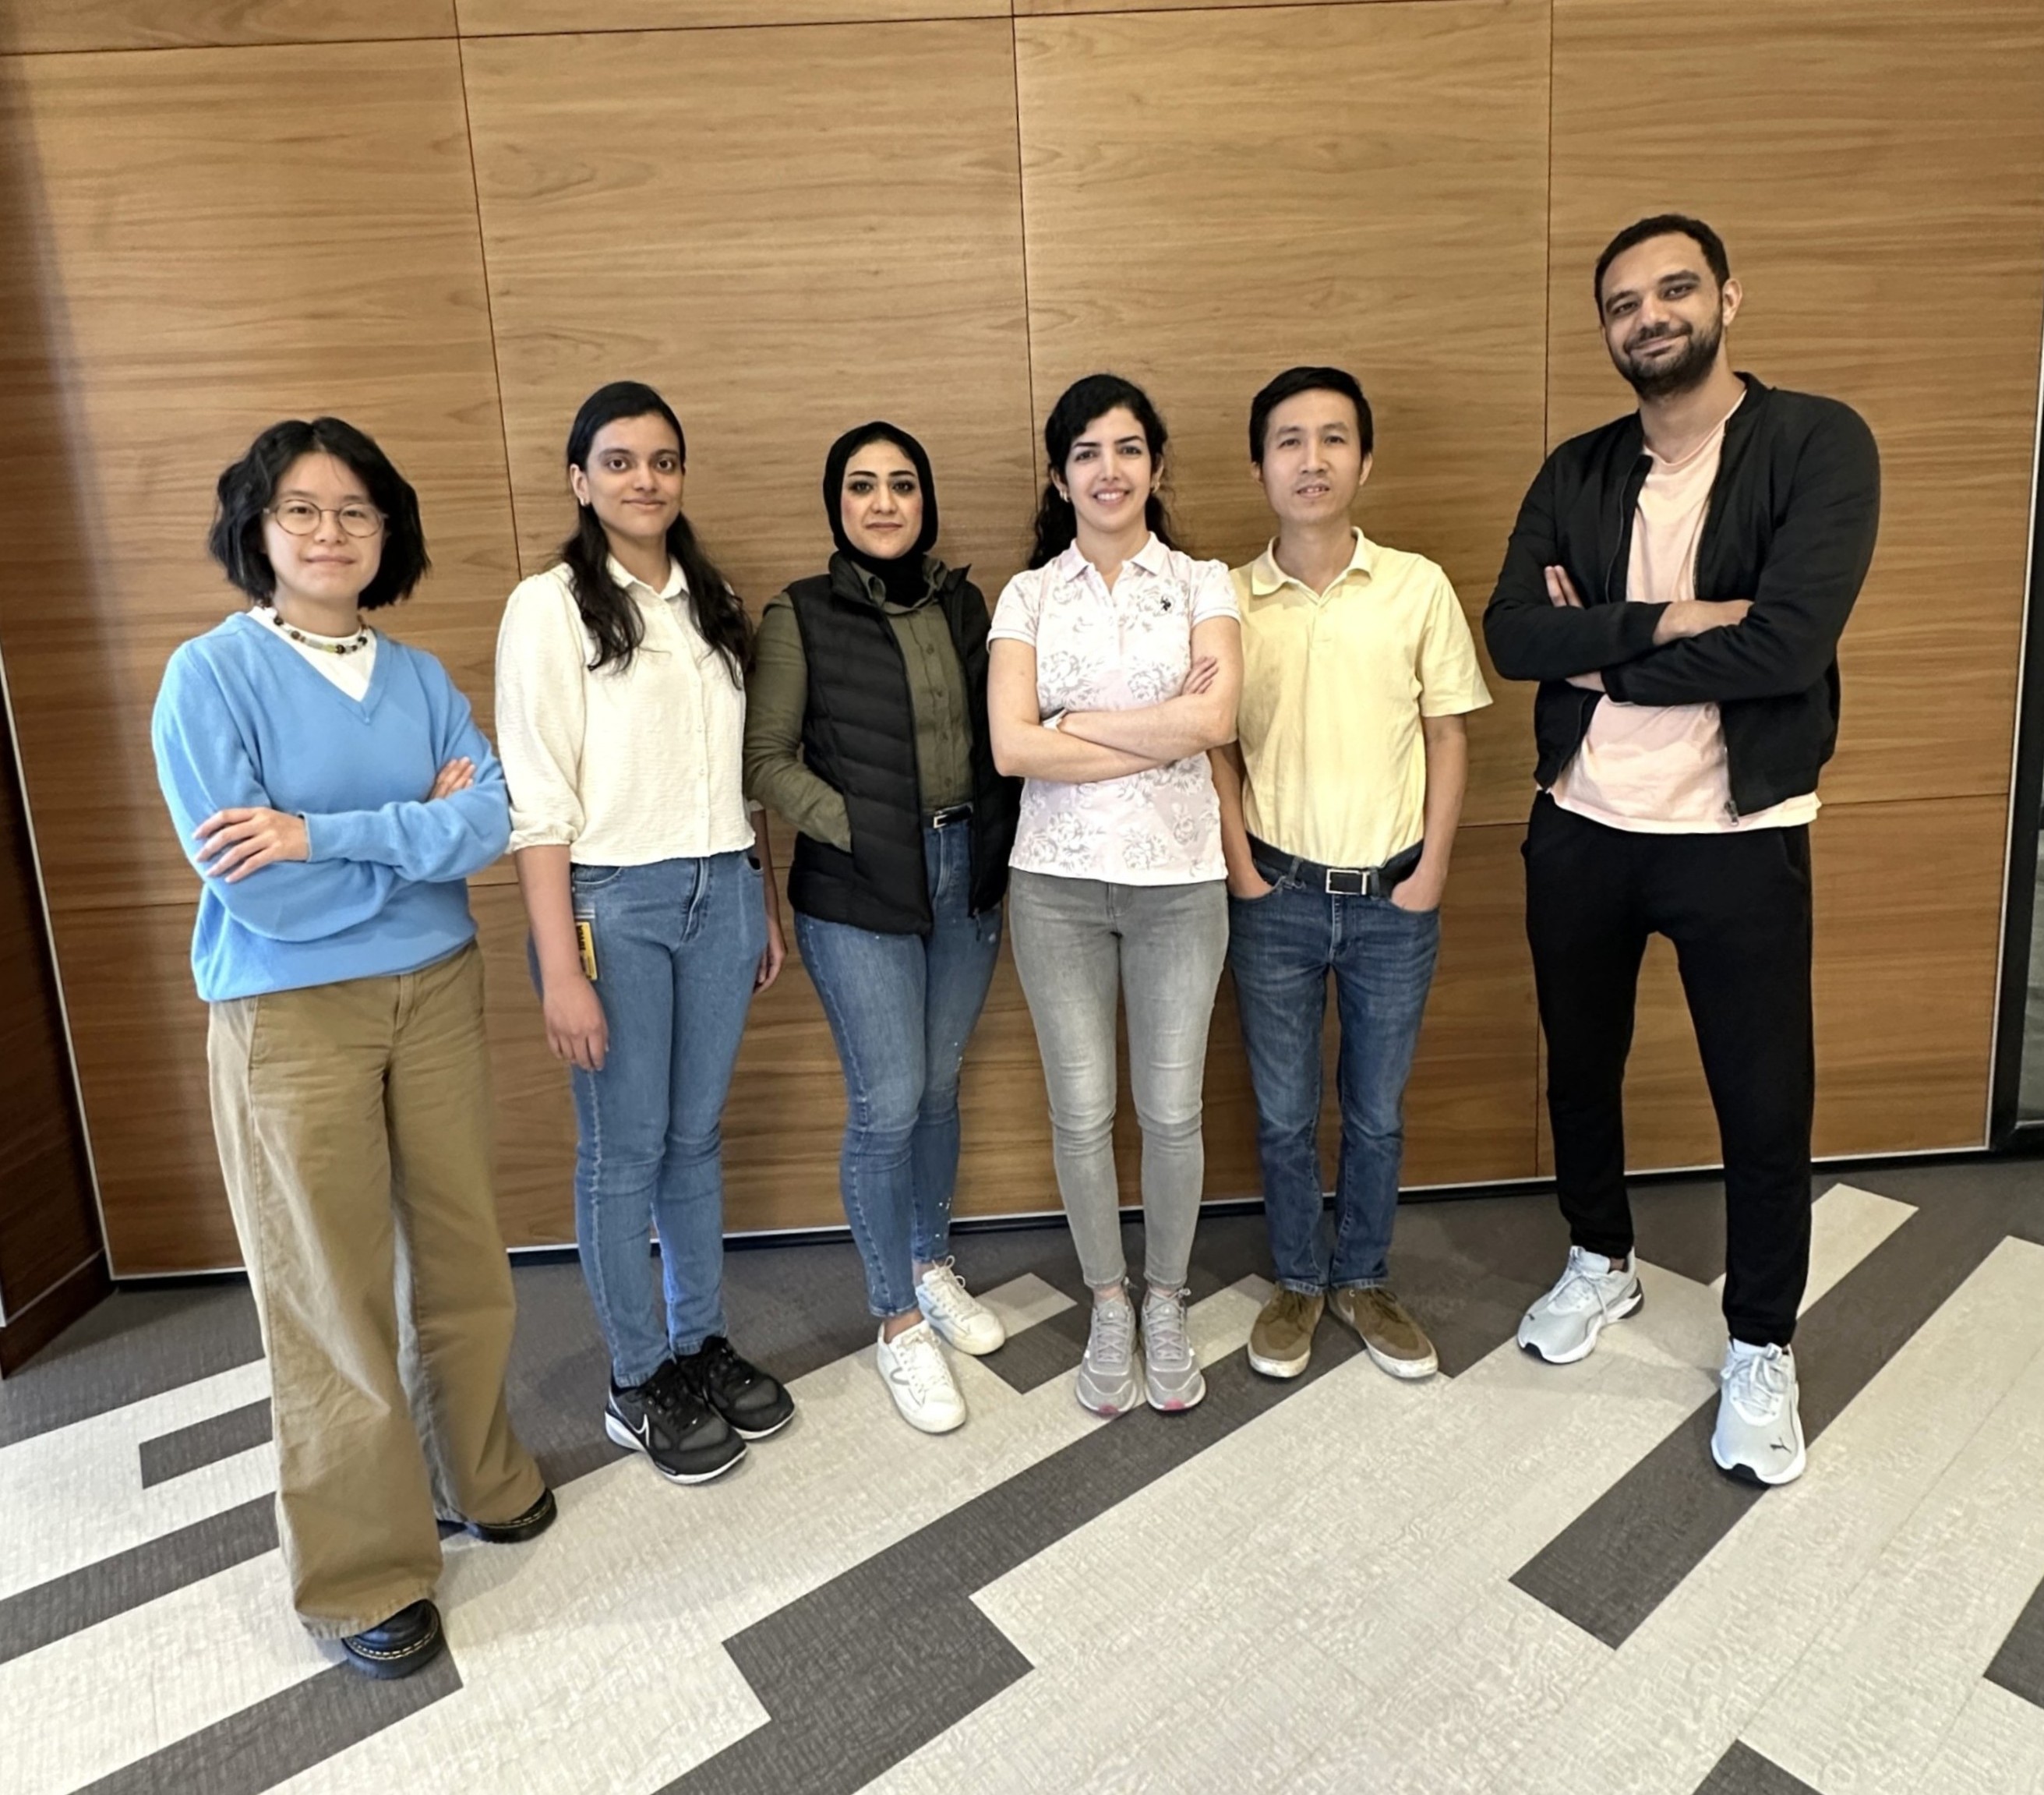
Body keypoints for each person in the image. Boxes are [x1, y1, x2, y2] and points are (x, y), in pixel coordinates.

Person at [152, 418, 552, 1681]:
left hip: (436, 991)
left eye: (357, 512)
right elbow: (259, 890)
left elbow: (489, 820)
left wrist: (322, 833)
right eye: (303, 510)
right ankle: (362, 1572)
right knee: (328, 1288)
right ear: (256, 528)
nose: (331, 533)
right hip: (290, 1013)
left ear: (389, 533)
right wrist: (407, 833)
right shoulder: (208, 677)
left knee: (464, 1251)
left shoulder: (421, 677)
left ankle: (475, 1473)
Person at [1483, 215, 1880, 1486]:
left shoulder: (1817, 443)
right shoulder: (1579, 469)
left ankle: (1761, 1341)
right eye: (1624, 303)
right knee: (1580, 1068)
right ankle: (1600, 1258)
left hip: (1737, 835)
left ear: (1727, 299)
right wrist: (1671, 619)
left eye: (1674, 290)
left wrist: (1600, 651)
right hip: (1583, 824)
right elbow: (1513, 637)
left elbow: (1788, 646)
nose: (1649, 317)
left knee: (1762, 1103)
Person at [495, 380, 793, 1488]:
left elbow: (743, 771)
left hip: (722, 890)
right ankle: (636, 1378)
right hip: (611, 905)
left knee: (694, 1138)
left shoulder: (711, 601)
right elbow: (536, 802)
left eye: (663, 461)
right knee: (624, 1151)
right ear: (580, 481)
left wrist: (763, 899)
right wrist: (559, 971)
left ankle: (699, 1344)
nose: (644, 480)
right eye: (618, 462)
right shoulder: (549, 607)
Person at [1213, 366, 1491, 1384]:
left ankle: (1364, 1277)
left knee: (1376, 1111)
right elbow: (1215, 747)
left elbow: (1449, 735)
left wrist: (1433, 871)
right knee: (1284, 1113)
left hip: (1394, 899)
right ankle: (1297, 1280)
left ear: (1365, 461)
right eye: (1289, 440)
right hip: (1274, 897)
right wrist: (1241, 868)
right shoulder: (1225, 599)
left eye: (1335, 438)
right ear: (1259, 467)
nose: (1312, 459)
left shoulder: (1416, 586)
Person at [743, 422, 1022, 1434]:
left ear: (925, 501)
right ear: (838, 504)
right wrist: (859, 828)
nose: (884, 503)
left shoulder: (965, 604)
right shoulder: (799, 613)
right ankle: (896, 1319)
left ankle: (931, 1265)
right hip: (857, 888)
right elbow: (764, 761)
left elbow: (1001, 732)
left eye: (903, 484)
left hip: (963, 877)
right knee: (888, 1100)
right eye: (862, 486)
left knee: (940, 1086)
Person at [987, 373, 1242, 1418]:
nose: (1109, 469)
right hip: (1054, 887)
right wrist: (1154, 729)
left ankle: (1166, 1300)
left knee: (1171, 1111)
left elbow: (1215, 724)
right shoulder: (1028, 595)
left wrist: (1075, 723)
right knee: (1082, 1110)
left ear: (1156, 465)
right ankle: (1107, 1301)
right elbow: (1011, 749)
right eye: (1086, 452)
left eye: (1128, 448)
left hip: (1180, 884)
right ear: (1059, 476)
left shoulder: (1204, 583)